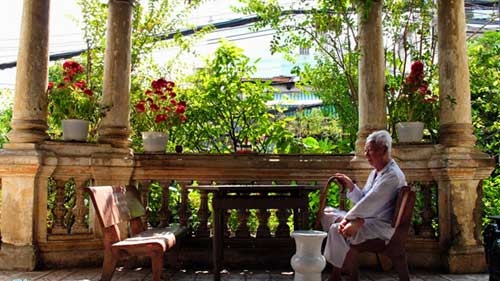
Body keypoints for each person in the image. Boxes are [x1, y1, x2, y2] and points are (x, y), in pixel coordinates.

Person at [321, 130, 406, 280]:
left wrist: (349, 219)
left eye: (370, 150)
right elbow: (365, 198)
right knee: (327, 213)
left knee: (336, 229)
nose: (366, 155)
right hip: (369, 217)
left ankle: (336, 275)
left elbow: (369, 203)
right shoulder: (376, 172)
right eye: (365, 151)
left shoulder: (392, 175)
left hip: (381, 225)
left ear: (384, 150)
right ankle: (347, 268)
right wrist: (351, 186)